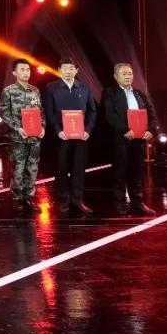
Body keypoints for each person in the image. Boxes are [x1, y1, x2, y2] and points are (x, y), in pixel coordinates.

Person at [101, 62, 158, 216]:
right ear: (115, 76)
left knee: (137, 173)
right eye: (124, 74)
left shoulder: (139, 93)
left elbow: (151, 114)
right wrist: (125, 129)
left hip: (139, 140)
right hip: (121, 139)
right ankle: (119, 204)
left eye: (130, 74)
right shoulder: (110, 92)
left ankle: (138, 203)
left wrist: (151, 130)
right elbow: (110, 115)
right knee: (120, 172)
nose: (128, 77)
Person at [43, 57, 97, 215]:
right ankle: (64, 201)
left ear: (76, 70)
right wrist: (57, 130)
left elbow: (92, 111)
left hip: (81, 136)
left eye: (71, 68)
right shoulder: (52, 88)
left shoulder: (84, 88)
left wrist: (88, 130)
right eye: (65, 68)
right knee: (61, 168)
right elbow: (49, 111)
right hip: (61, 136)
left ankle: (78, 200)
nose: (68, 71)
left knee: (79, 169)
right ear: (59, 70)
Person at [0, 58, 45, 213]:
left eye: (28, 69)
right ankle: (17, 198)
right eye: (22, 69)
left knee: (32, 168)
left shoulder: (35, 90)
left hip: (35, 137)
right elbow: (4, 113)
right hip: (18, 137)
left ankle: (28, 198)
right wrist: (17, 128)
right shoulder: (9, 91)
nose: (26, 72)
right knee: (18, 169)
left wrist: (43, 127)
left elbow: (40, 111)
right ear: (14, 72)